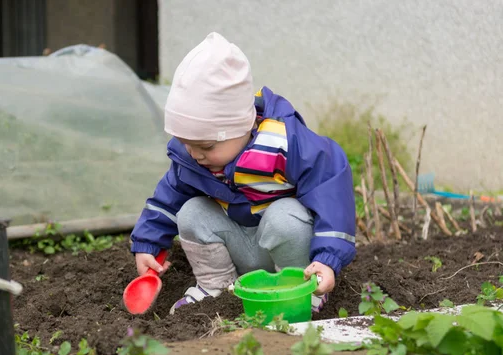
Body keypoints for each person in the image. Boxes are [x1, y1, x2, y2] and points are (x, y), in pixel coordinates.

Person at [130, 32, 356, 315]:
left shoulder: (284, 145)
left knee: (285, 215)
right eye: (186, 144)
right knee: (191, 211)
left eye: (206, 146)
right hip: (238, 244)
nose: (195, 154)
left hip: (285, 247)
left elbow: (330, 190)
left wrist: (328, 257)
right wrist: (148, 243)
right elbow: (166, 200)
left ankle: (299, 285)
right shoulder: (193, 158)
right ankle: (217, 287)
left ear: (241, 126)